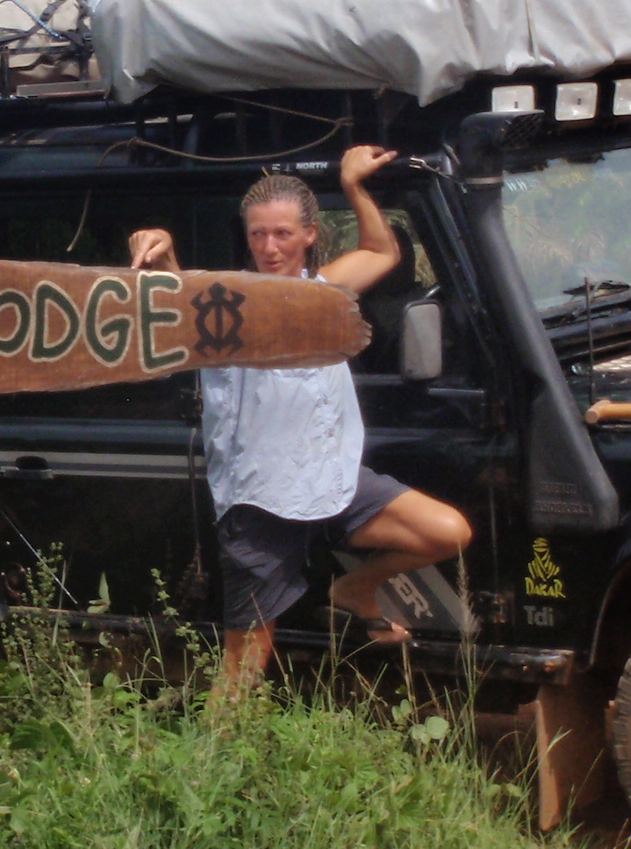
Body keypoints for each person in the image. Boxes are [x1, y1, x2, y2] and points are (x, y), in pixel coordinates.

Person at [129, 146, 473, 700]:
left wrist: (353, 185)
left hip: (329, 480)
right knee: (242, 673)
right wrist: (162, 250)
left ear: (311, 235)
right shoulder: (226, 305)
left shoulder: (324, 292)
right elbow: (178, 297)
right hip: (259, 498)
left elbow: (380, 249)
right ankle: (211, 772)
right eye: (258, 234)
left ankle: (355, 589)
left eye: (283, 234)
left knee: (447, 531)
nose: (268, 247)